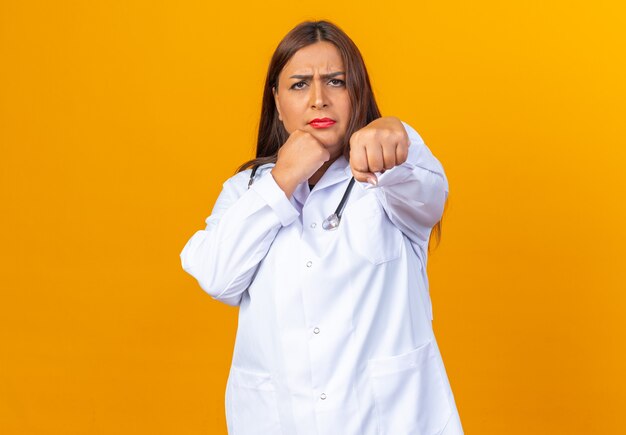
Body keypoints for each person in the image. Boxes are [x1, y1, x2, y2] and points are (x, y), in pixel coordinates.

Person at [180, 20, 464, 435]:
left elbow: (429, 192)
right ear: (276, 102)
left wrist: (398, 134)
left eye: (335, 81)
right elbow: (218, 277)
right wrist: (282, 179)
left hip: (390, 421)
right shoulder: (247, 191)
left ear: (358, 93)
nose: (318, 100)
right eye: (299, 85)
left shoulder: (387, 180)